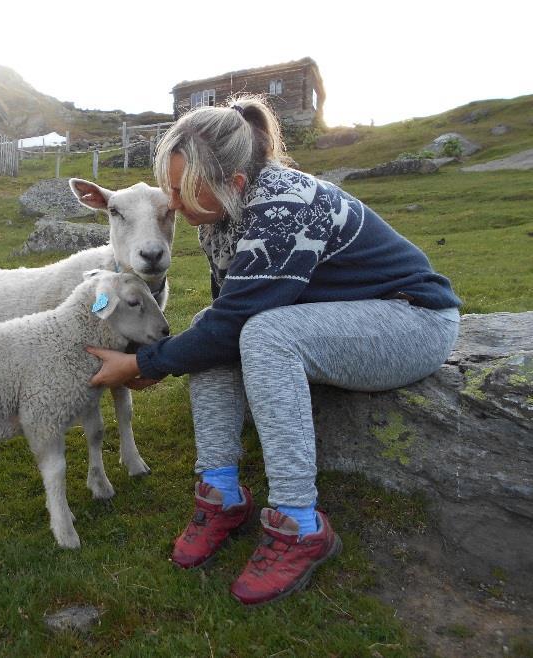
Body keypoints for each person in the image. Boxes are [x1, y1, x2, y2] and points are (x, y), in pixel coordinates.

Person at [86, 95, 461, 606]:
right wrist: (168, 356)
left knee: (262, 335)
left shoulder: (282, 206)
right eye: (169, 186)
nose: (170, 201)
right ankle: (219, 492)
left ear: (233, 184)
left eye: (179, 190)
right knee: (210, 327)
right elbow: (224, 321)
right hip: (343, 321)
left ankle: (299, 524)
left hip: (410, 321)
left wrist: (144, 362)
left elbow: (240, 324)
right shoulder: (222, 213)